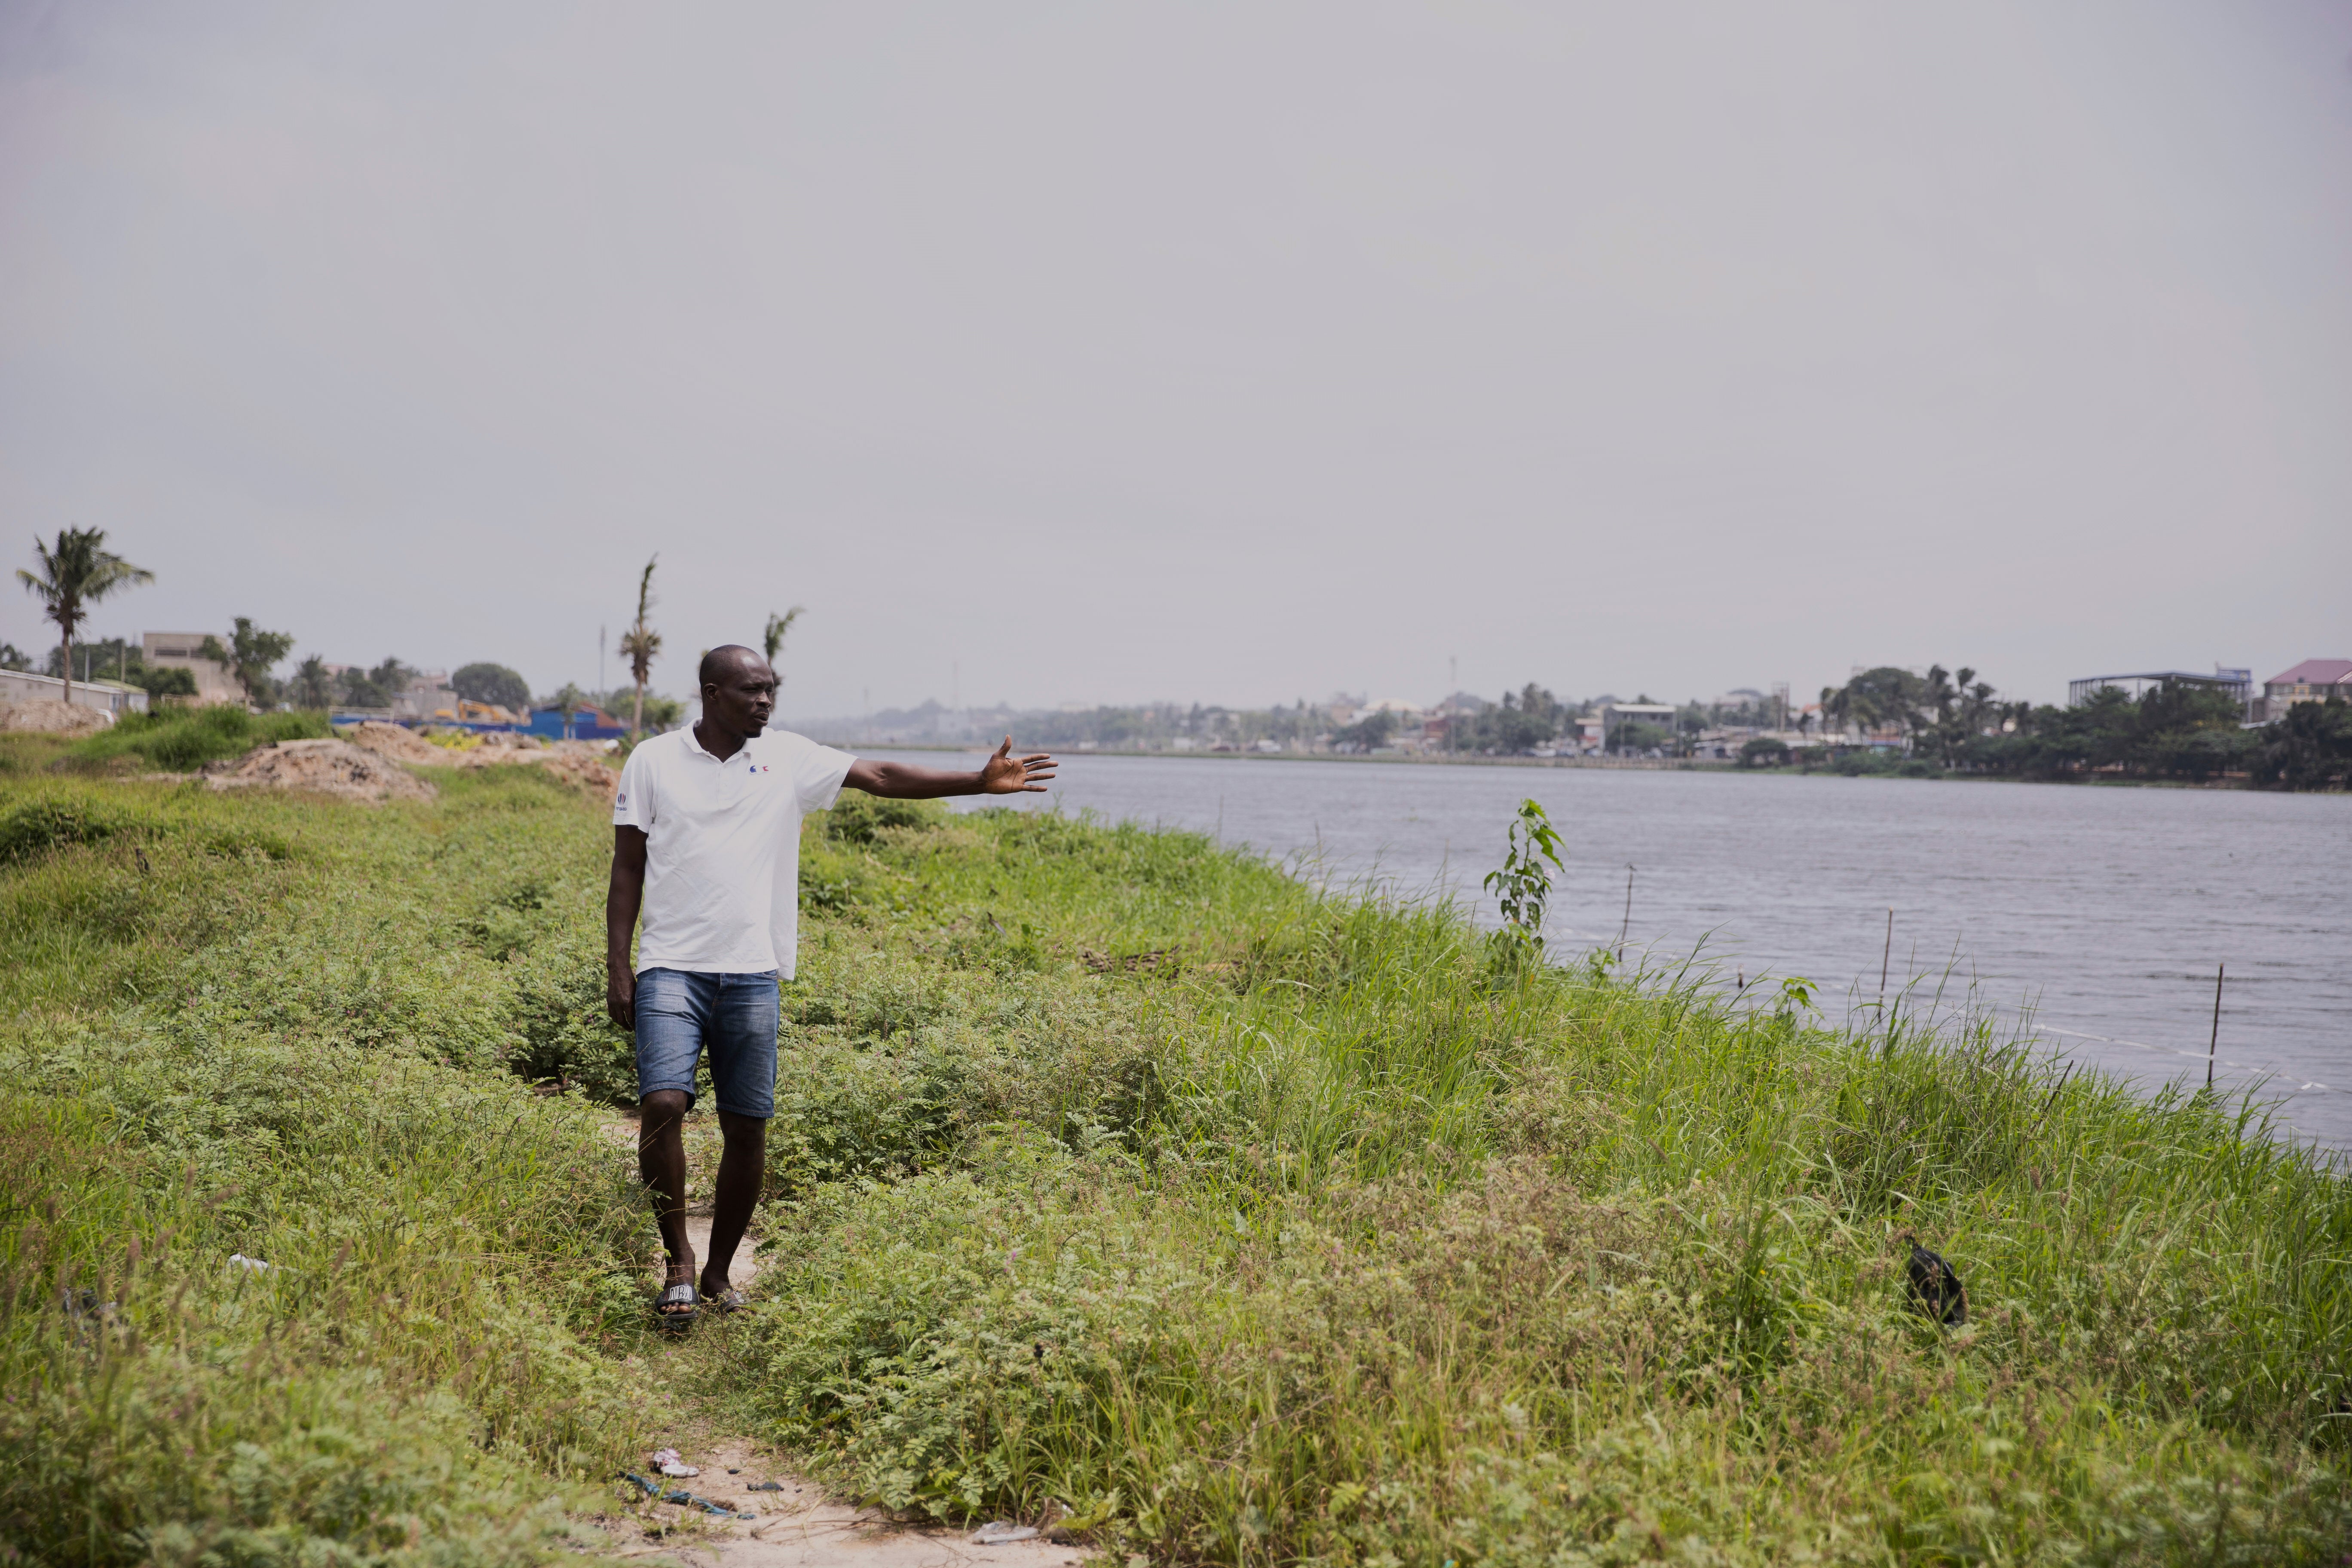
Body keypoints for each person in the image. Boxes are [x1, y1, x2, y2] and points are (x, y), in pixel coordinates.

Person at [605, 644, 1055, 1324]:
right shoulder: (653, 761)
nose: (765, 701)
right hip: (672, 966)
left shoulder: (786, 756)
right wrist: (619, 966)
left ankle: (722, 1272)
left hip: (754, 971)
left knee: (746, 1128)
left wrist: (975, 781)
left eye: (771, 690)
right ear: (711, 693)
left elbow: (877, 773)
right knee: (664, 1103)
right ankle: (678, 1263)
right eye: (751, 690)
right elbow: (627, 868)